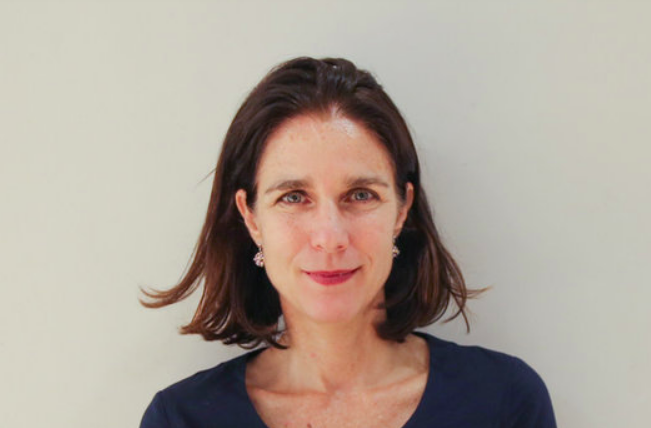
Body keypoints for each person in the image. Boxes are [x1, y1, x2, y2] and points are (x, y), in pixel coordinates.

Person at [139, 56, 557, 428]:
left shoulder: (504, 402)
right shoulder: (180, 419)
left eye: (360, 195)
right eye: (294, 197)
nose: (330, 238)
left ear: (402, 210)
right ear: (251, 218)